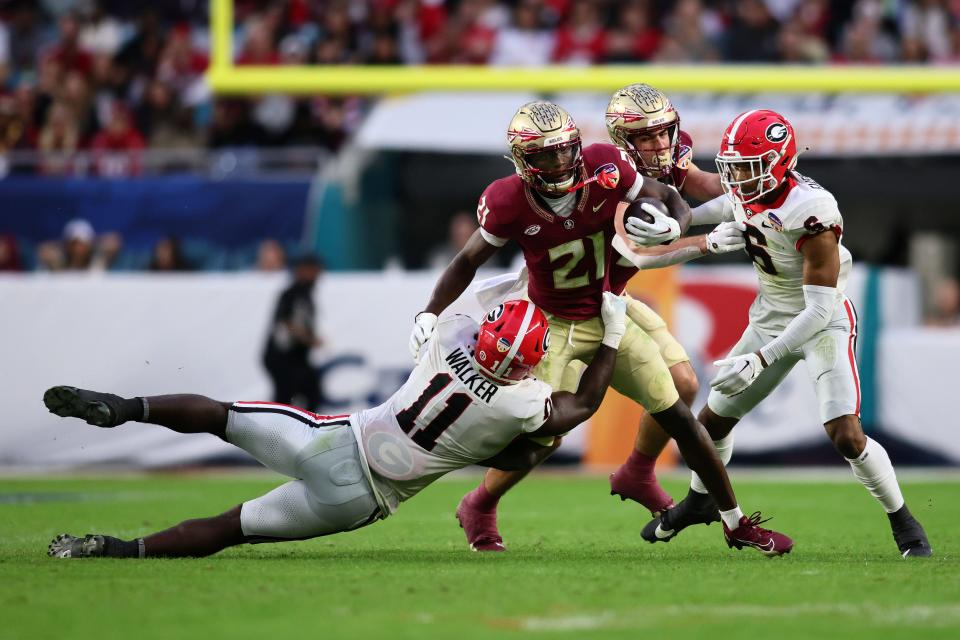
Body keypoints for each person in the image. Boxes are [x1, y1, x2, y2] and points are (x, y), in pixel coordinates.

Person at [409, 100, 791, 555]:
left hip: (609, 308)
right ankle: (474, 498)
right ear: (521, 161)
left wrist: (674, 222)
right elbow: (467, 259)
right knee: (543, 436)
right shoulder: (507, 200)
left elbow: (669, 197)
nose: (557, 163)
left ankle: (734, 522)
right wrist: (429, 312)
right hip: (547, 324)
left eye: (563, 151)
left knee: (680, 410)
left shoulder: (604, 165)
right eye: (543, 156)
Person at [46, 295, 667, 558]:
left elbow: (466, 306)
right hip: (359, 499)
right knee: (232, 528)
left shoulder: (449, 342)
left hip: (331, 440)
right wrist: (610, 335)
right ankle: (117, 550)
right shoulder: (522, 400)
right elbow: (582, 406)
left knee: (219, 415)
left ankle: (125, 408)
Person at [637, 109, 932, 558]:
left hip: (824, 320)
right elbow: (714, 212)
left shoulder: (811, 211)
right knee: (711, 422)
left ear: (779, 163)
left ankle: (904, 522)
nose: (736, 177)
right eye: (731, 167)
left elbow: (817, 309)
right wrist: (677, 227)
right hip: (770, 317)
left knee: (846, 435)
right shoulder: (748, 191)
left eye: (747, 168)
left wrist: (761, 358)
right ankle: (700, 501)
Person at [262, 253, 325, 411]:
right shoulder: (292, 293)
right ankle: (278, 432)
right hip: (282, 356)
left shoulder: (306, 294)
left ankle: (306, 431)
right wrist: (308, 338)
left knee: (311, 392)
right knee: (285, 398)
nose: (317, 275)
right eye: (313, 270)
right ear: (302, 270)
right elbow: (285, 322)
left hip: (296, 358)